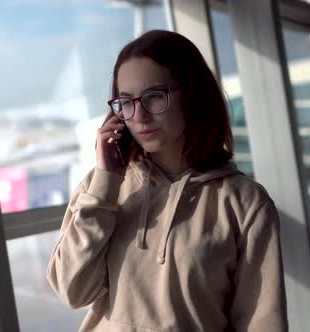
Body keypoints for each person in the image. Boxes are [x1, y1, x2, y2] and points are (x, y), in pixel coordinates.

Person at [46, 30, 288, 331]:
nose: (140, 116)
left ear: (192, 94)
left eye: (155, 96)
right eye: (126, 102)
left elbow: (262, 320)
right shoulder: (101, 187)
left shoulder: (244, 202)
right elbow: (72, 292)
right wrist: (106, 183)